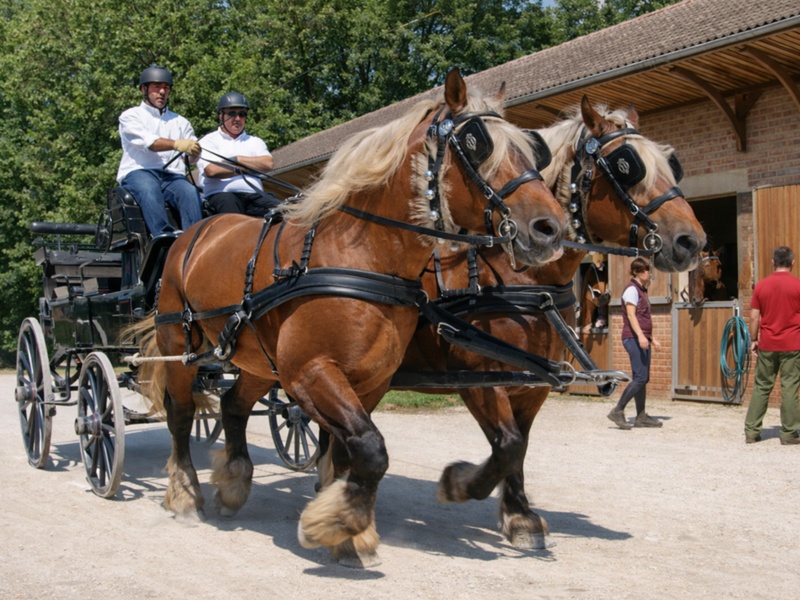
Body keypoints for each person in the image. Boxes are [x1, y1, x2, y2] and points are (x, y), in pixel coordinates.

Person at [116, 64, 203, 235]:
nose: (162, 92)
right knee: (149, 188)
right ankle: (163, 237)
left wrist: (195, 152)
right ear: (144, 89)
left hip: (172, 176)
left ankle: (194, 239)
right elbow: (150, 143)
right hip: (139, 172)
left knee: (190, 191)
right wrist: (177, 144)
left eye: (166, 88)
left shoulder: (181, 122)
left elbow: (191, 160)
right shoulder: (131, 116)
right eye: (157, 87)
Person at [744, 246, 800, 445]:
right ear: (793, 263)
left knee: (761, 386)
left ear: (772, 262)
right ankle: (789, 433)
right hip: (792, 344)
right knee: (790, 387)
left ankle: (751, 431)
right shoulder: (797, 285)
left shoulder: (761, 286)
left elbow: (754, 317)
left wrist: (753, 339)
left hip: (767, 343)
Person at [196, 92, 279, 217]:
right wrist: (249, 167)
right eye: (232, 114)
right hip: (222, 195)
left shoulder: (255, 141)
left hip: (255, 196)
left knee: (285, 212)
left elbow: (268, 163)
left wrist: (237, 159)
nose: (238, 119)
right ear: (221, 115)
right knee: (233, 216)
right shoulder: (208, 140)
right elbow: (212, 170)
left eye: (242, 114)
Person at [607, 257, 663, 429]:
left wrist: (651, 338)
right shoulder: (631, 290)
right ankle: (618, 410)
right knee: (640, 377)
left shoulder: (642, 290)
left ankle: (641, 416)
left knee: (643, 378)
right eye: (644, 270)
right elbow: (631, 316)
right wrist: (640, 336)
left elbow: (642, 317)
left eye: (648, 269)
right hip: (632, 338)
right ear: (637, 272)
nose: (648, 272)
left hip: (641, 338)